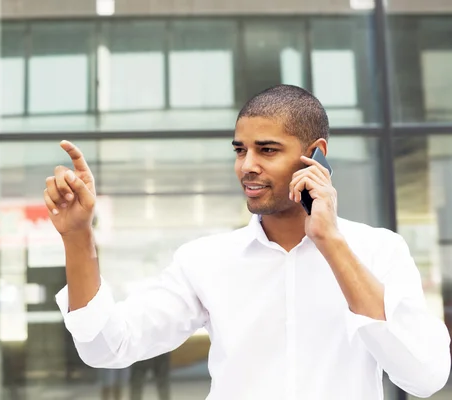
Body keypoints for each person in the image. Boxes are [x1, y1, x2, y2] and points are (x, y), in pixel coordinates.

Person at [43, 84, 451, 399]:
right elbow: (106, 347)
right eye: (240, 150)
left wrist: (330, 241)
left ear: (316, 155)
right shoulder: (205, 260)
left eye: (267, 150)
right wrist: (78, 237)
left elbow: (425, 375)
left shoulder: (380, 250)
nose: (247, 166)